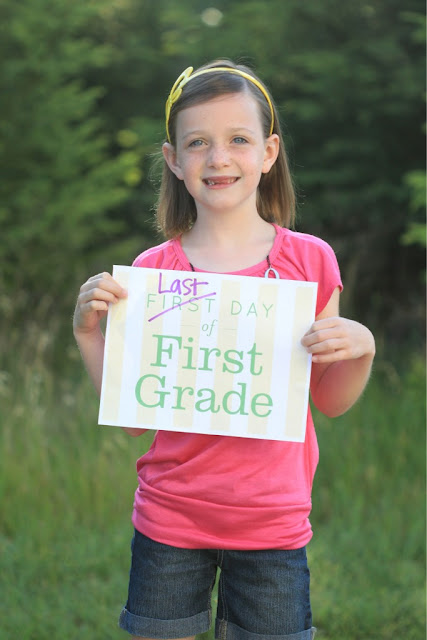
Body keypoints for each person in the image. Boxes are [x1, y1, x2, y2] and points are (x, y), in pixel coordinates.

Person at [73, 59, 375, 640]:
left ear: (268, 152)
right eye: (198, 142)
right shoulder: (153, 271)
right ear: (173, 159)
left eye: (238, 139)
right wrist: (89, 334)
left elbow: (330, 402)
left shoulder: (310, 260)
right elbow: (135, 420)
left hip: (273, 522)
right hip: (169, 517)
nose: (218, 158)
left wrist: (360, 349)